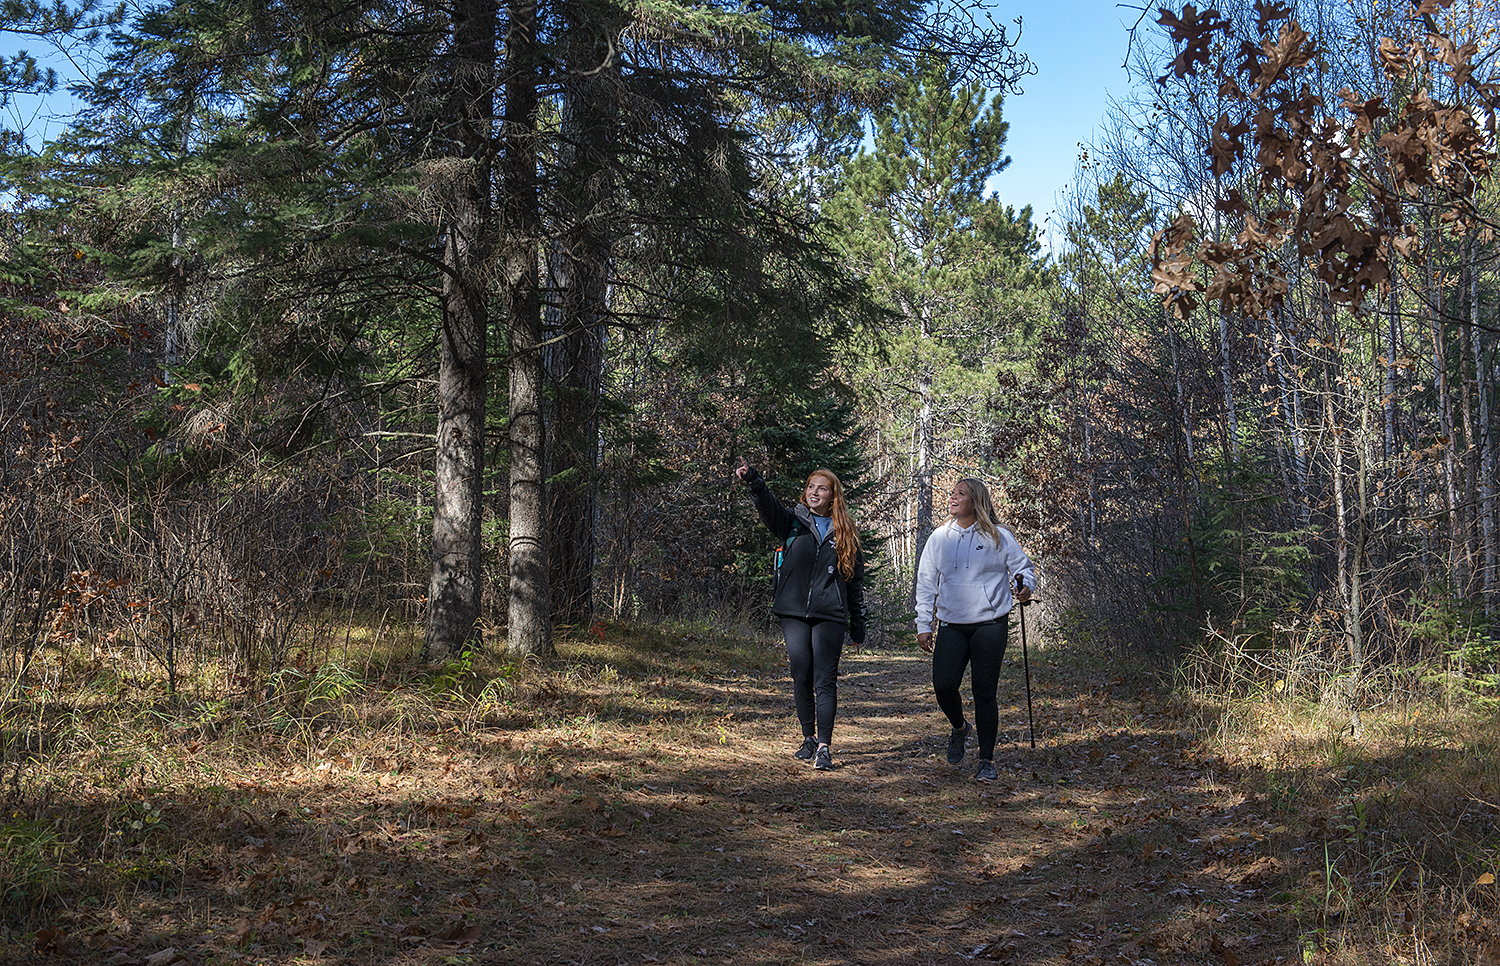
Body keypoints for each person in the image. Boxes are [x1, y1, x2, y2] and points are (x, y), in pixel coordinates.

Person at [735, 456, 866, 771]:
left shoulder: (845, 533)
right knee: (800, 673)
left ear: (833, 496)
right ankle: (808, 738)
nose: (814, 493)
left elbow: (855, 583)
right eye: (811, 487)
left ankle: (824, 747)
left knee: (825, 679)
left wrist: (858, 626)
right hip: (792, 611)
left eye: (822, 489)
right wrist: (754, 480)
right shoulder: (792, 521)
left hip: (830, 614)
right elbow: (767, 507)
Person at [914, 478, 1036, 783]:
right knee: (943, 685)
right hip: (952, 624)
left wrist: (1025, 588)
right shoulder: (939, 538)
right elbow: (927, 583)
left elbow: (1023, 568)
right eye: (952, 493)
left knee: (984, 691)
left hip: (990, 623)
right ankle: (959, 727)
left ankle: (986, 760)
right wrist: (923, 623)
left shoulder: (999, 536)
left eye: (961, 494)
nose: (953, 497)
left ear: (976, 501)